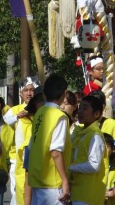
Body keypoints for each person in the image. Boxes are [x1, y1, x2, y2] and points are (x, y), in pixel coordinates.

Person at [27, 74, 71, 205]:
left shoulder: (39, 112)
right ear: (64, 94)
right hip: (52, 181)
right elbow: (56, 152)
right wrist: (65, 180)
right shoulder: (60, 116)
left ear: (44, 93)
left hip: (37, 178)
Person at [3, 76, 40, 205]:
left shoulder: (40, 109)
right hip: (17, 158)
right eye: (26, 90)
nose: (29, 93)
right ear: (21, 93)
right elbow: (5, 122)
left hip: (37, 158)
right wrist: (17, 117)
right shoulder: (15, 110)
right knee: (18, 190)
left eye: (31, 90)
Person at [69, 95, 107, 205]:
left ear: (96, 114)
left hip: (88, 195)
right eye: (80, 108)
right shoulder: (79, 132)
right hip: (77, 191)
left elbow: (94, 166)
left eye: (85, 108)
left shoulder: (95, 136)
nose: (80, 111)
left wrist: (70, 166)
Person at [103, 133, 115, 205]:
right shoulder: (89, 166)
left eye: (107, 146)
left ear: (112, 149)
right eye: (101, 145)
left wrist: (114, 193)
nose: (104, 149)